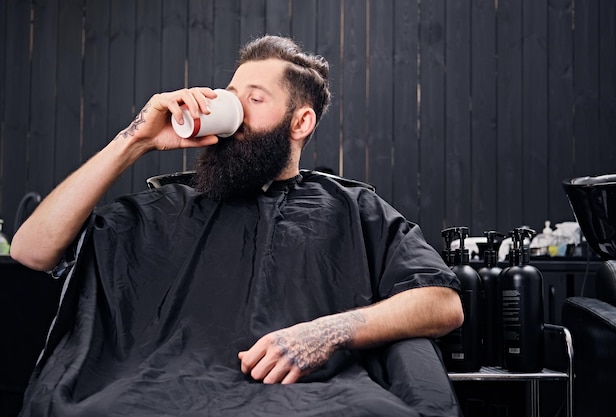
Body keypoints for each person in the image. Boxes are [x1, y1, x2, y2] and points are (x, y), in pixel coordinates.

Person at [11, 35, 463, 416]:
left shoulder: (353, 208)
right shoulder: (162, 208)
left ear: (300, 121)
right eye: (231, 93)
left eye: (255, 98)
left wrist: (327, 332)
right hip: (153, 397)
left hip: (316, 400)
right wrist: (136, 140)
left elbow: (443, 304)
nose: (233, 108)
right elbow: (30, 251)